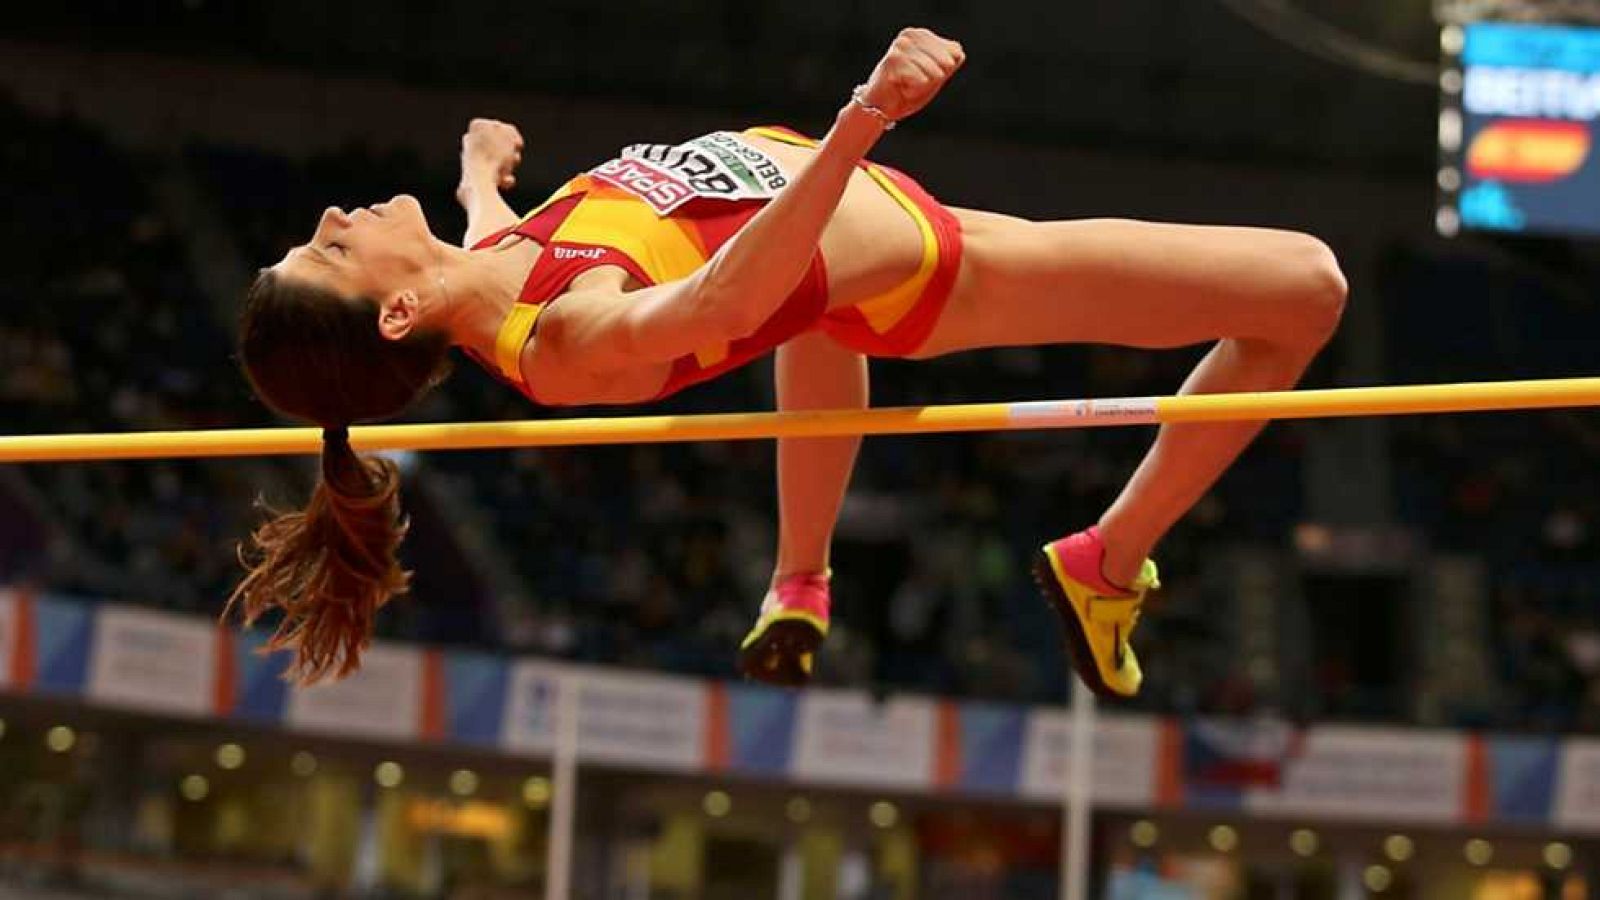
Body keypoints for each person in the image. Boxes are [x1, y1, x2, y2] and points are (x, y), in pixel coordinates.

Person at [228, 27, 1346, 696]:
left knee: (812, 325)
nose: (332, 210)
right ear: (398, 310)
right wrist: (864, 115)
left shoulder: (481, 266)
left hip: (865, 241)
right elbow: (729, 295)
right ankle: (1108, 562)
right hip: (935, 269)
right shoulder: (567, 344)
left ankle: (799, 582)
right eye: (329, 246)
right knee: (1304, 290)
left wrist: (480, 167)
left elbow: (499, 234)